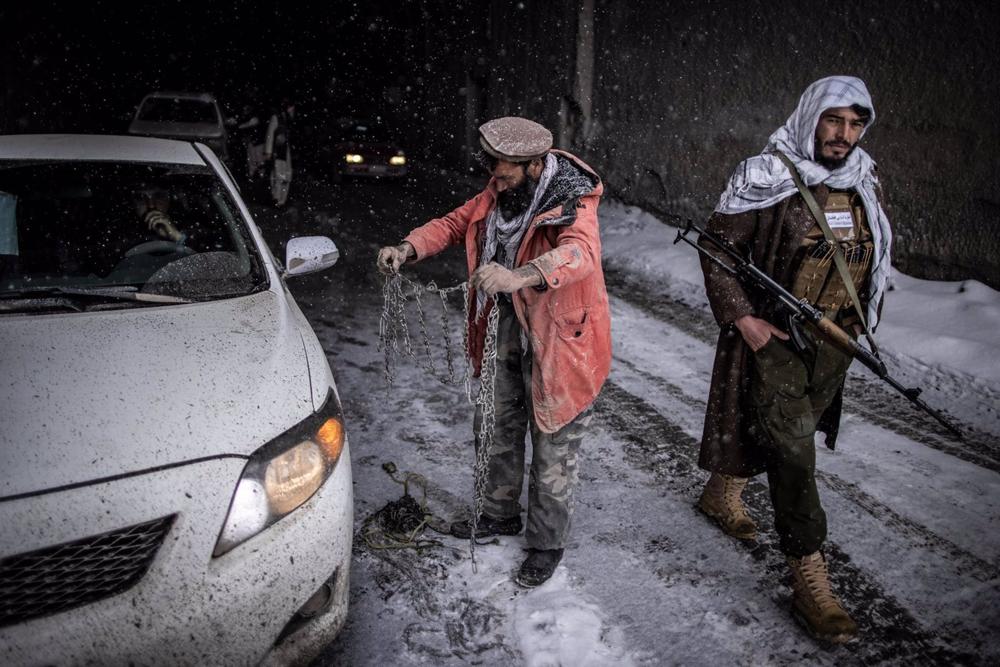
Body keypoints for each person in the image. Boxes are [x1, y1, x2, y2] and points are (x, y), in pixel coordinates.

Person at [694, 76, 892, 643]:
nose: (845, 135)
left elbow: (870, 247)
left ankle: (720, 492)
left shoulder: (862, 176)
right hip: (777, 339)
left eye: (856, 124)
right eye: (835, 120)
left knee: (785, 435)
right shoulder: (766, 174)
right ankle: (811, 577)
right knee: (794, 450)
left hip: (836, 341)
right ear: (812, 116)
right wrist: (743, 318)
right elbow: (717, 249)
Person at [377, 117, 611, 587]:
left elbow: (580, 254)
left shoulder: (571, 200)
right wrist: (408, 247)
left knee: (552, 439)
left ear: (534, 164)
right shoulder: (500, 192)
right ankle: (498, 512)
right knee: (497, 422)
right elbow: (453, 223)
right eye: (493, 170)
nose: (495, 180)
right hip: (505, 324)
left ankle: (546, 543)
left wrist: (519, 275)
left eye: (504, 172)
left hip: (561, 335)